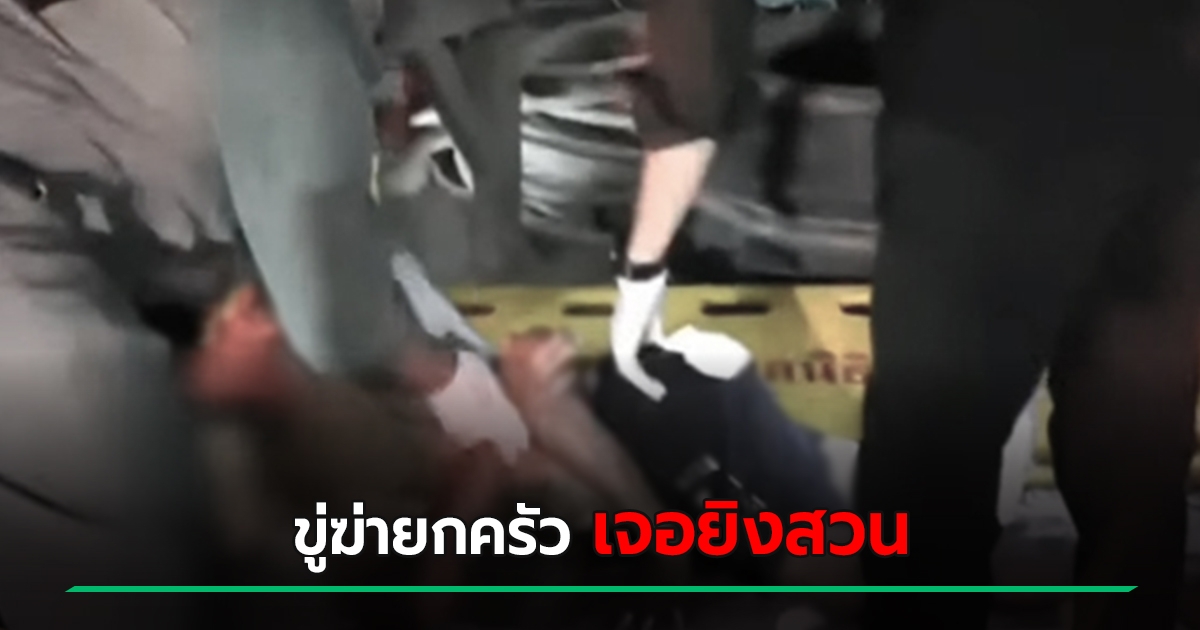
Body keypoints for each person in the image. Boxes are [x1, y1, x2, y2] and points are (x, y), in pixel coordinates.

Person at [609, 1, 1200, 629]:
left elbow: (699, 42)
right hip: (1180, 114)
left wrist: (644, 268)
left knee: (933, 479)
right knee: (1137, 469)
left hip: (988, 121)